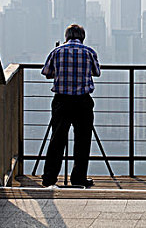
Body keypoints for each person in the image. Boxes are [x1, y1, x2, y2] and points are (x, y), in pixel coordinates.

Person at [40, 24, 101, 187]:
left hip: (62, 101)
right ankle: (79, 178)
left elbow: (47, 73)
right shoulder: (89, 52)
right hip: (83, 101)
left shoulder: (57, 51)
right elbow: (96, 72)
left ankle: (49, 178)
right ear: (82, 37)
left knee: (57, 140)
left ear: (66, 36)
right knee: (83, 140)